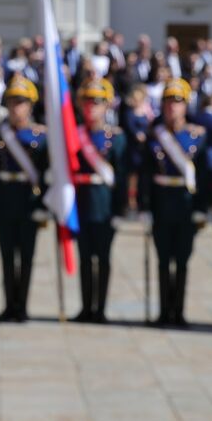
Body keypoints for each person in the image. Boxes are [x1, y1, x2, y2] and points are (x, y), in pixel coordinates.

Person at [140, 78, 209, 327]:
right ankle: (162, 312)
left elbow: (204, 176)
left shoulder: (197, 137)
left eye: (178, 102)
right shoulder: (154, 136)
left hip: (185, 205)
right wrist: (145, 207)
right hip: (161, 204)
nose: (172, 107)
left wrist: (201, 209)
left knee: (181, 260)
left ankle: (178, 311)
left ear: (186, 106)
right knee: (162, 260)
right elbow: (146, 175)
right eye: (168, 102)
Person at [0, 75, 47, 321]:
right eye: (12, 102)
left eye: (21, 102)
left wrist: (43, 205)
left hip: (28, 201)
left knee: (27, 257)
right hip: (4, 200)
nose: (16, 108)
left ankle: (23, 307)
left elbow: (46, 174)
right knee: (7, 256)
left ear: (30, 106)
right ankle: (9, 305)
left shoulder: (40, 137)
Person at [73, 77, 126, 323]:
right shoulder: (75, 134)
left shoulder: (116, 138)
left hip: (104, 205)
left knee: (103, 258)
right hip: (81, 203)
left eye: (97, 102)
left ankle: (101, 309)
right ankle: (86, 307)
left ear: (106, 106)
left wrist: (120, 209)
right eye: (87, 101)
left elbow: (121, 176)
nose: (91, 107)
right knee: (85, 258)